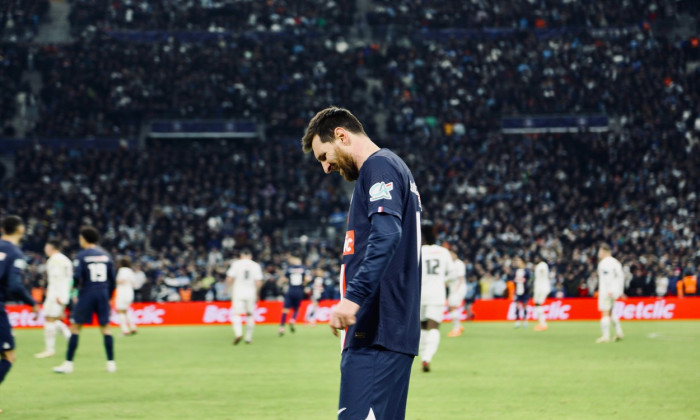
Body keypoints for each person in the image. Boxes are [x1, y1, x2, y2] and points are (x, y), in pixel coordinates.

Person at [302, 106, 422, 419]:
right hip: (388, 332)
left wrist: (352, 298)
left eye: (324, 156)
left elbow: (386, 234)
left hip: (375, 331)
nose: (326, 168)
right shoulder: (389, 168)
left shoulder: (378, 166)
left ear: (340, 136)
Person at [53, 226, 117, 374]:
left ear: (84, 239)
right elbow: (112, 280)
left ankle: (68, 364)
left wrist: (70, 292)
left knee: (75, 328)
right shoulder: (106, 255)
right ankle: (111, 363)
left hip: (87, 292)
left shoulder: (82, 256)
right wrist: (109, 296)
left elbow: (76, 278)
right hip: (102, 293)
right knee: (106, 329)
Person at [0, 215, 40, 411]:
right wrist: (31, 302)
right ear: (20, 229)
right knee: (8, 355)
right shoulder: (15, 253)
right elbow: (15, 286)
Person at [418, 221, 452, 372]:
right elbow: (452, 273)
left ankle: (422, 356)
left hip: (418, 294)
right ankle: (427, 358)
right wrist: (442, 281)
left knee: (422, 326)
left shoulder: (417, 251)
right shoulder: (443, 252)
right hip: (436, 294)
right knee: (434, 326)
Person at [35, 239, 73, 358]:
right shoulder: (66, 260)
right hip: (63, 293)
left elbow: (56, 279)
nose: (45, 249)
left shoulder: (54, 260)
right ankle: (70, 338)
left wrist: (57, 296)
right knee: (54, 319)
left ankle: (50, 349)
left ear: (52, 247)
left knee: (49, 319)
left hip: (56, 294)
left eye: (46, 247)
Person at [225, 249, 263, 344]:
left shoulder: (236, 264)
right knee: (249, 314)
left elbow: (229, 278)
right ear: (250, 256)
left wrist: (227, 289)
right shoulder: (255, 265)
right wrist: (257, 293)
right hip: (251, 292)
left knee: (237, 314)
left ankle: (238, 334)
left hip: (238, 291)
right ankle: (248, 338)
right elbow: (258, 281)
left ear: (241, 256)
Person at [596, 244, 625, 343]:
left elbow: (607, 277)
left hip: (607, 291)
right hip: (615, 290)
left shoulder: (604, 263)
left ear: (604, 252)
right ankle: (618, 332)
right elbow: (621, 277)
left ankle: (605, 336)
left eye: (600, 252)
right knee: (612, 312)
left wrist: (609, 290)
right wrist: (620, 291)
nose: (598, 254)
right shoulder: (616, 262)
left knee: (605, 312)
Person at [279, 254, 308, 336]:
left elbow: (283, 279)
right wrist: (304, 284)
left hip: (290, 290)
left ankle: (282, 327)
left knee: (285, 310)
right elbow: (307, 279)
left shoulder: (289, 268)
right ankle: (293, 319)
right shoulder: (303, 268)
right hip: (299, 291)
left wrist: (281, 283)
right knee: (296, 308)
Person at [115, 256, 137, 336]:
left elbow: (122, 280)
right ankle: (133, 327)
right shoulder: (130, 271)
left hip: (123, 292)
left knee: (120, 311)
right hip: (130, 292)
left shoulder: (122, 270)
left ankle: (125, 330)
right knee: (126, 310)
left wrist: (115, 281)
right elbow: (134, 283)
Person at [447, 250, 467, 337]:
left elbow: (460, 278)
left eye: (452, 254)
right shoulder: (450, 264)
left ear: (455, 254)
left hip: (458, 288)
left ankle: (457, 329)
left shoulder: (459, 264)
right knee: (451, 308)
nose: (451, 256)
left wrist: (456, 289)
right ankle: (458, 327)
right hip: (453, 289)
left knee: (452, 307)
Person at [532, 255, 551, 331]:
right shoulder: (539, 265)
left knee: (538, 304)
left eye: (537, 258)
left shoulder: (542, 265)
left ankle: (543, 324)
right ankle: (541, 323)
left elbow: (542, 270)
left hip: (541, 288)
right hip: (540, 288)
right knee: (537, 304)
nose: (535, 259)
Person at [512, 257, 530, 328]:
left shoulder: (526, 270)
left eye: (519, 261)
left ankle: (525, 320)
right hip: (517, 290)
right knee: (517, 306)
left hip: (524, 291)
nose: (518, 263)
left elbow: (529, 280)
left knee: (524, 305)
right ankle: (517, 320)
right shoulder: (515, 270)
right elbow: (513, 279)